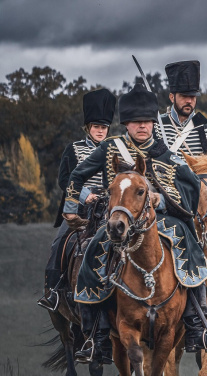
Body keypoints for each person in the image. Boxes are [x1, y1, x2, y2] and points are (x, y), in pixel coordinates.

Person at [63, 84, 207, 357]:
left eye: (147, 121)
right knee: (92, 251)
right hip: (118, 220)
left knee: (192, 249)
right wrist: (71, 207)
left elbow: (191, 188)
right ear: (126, 124)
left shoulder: (167, 155)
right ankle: (96, 335)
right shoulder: (110, 148)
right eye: (136, 121)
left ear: (153, 123)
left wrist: (161, 200)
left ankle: (197, 326)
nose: (142, 126)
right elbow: (77, 175)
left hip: (162, 220)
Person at [38, 88, 116, 312]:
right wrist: (85, 195)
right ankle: (53, 290)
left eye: (103, 127)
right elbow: (64, 180)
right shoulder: (73, 149)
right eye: (96, 127)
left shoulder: (116, 150)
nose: (100, 131)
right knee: (60, 242)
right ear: (88, 127)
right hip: (79, 206)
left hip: (109, 206)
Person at [155, 60, 207, 162]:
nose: (189, 101)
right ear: (172, 97)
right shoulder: (157, 126)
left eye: (192, 97)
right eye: (184, 96)